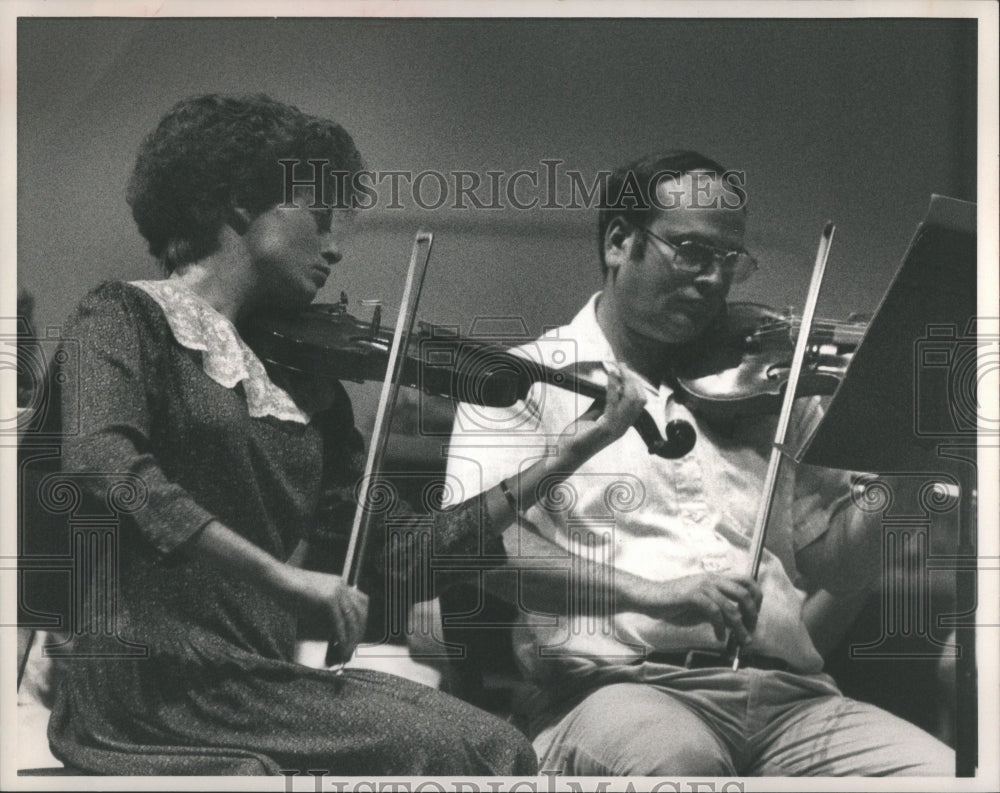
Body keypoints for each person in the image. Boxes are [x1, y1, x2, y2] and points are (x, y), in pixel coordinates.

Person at [44, 94, 648, 775]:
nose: (334, 246)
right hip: (144, 683)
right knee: (484, 753)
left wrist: (566, 456)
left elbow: (407, 553)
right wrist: (286, 581)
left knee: (498, 742)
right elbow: (105, 467)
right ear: (243, 203)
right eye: (318, 215)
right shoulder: (124, 314)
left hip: (252, 679)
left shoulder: (304, 386)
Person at [445, 151, 956, 776]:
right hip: (618, 691)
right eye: (690, 251)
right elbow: (470, 550)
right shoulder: (521, 380)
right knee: (678, 766)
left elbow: (840, 567)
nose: (714, 279)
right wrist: (657, 595)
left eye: (729, 261)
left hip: (792, 699)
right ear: (618, 243)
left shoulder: (773, 387)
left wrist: (917, 450)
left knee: (939, 776)